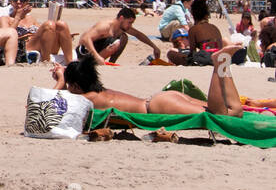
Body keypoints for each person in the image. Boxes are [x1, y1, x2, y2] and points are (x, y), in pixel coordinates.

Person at [55, 51, 244, 117]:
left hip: (158, 106)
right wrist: (66, 81)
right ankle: (224, 63)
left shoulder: (90, 99)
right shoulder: (100, 92)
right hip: (163, 99)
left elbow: (48, 104)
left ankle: (218, 63)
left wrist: (61, 81)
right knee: (234, 111)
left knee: (220, 115)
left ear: (77, 87)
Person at [3, 0, 74, 62]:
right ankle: (46, 61)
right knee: (48, 24)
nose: (18, 2)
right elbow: (5, 36)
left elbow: (46, 32)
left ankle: (70, 62)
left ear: (26, 2)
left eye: (22, 0)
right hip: (25, 48)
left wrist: (64, 35)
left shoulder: (31, 19)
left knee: (61, 24)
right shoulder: (5, 19)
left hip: (43, 46)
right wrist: (17, 17)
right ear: (11, 2)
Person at [167, 0, 244, 66]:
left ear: (193, 14)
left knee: (171, 54)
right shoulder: (214, 28)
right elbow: (219, 47)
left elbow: (192, 53)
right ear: (207, 14)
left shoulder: (193, 30)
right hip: (220, 57)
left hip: (206, 59)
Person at [77, 6, 162, 64]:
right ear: (121, 18)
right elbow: (85, 39)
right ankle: (96, 62)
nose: (130, 26)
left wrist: (154, 47)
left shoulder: (121, 28)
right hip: (83, 53)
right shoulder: (105, 26)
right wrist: (96, 56)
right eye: (129, 22)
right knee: (116, 42)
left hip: (97, 52)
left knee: (124, 37)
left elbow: (138, 35)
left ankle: (111, 63)